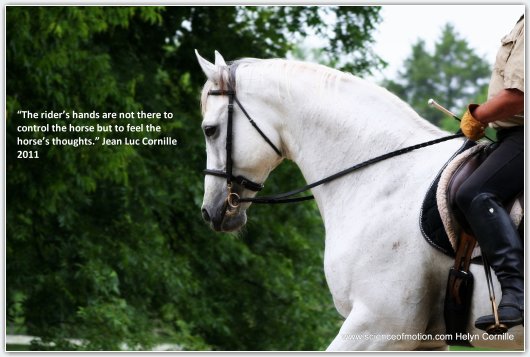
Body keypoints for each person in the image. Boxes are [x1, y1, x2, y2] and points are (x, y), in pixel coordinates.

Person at [455, 15, 524, 332]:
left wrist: (477, 116)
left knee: (474, 192)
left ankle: (516, 292)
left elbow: (518, 96)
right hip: (511, 137)